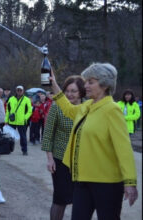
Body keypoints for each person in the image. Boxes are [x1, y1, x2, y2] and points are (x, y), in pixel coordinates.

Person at [49, 63, 138, 220]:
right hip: (81, 180)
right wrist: (54, 84)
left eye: (91, 82)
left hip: (107, 184)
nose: (86, 86)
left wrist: (130, 182)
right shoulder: (87, 106)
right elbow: (68, 109)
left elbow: (123, 149)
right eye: (86, 81)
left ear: (104, 85)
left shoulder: (112, 109)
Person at [41, 75, 86, 220]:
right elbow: (47, 135)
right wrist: (50, 159)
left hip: (82, 162)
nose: (69, 94)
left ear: (81, 92)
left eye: (74, 91)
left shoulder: (88, 108)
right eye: (67, 90)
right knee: (60, 199)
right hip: (60, 160)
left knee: (81, 201)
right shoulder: (56, 107)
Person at [5, 85, 33, 155]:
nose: (19, 91)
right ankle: (9, 149)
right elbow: (8, 110)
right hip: (12, 121)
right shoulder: (11, 99)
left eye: (20, 90)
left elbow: (30, 111)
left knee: (23, 137)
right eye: (18, 90)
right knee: (11, 136)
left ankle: (24, 150)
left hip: (21, 121)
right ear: (16, 91)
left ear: (23, 91)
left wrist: (25, 118)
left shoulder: (27, 99)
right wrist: (6, 120)